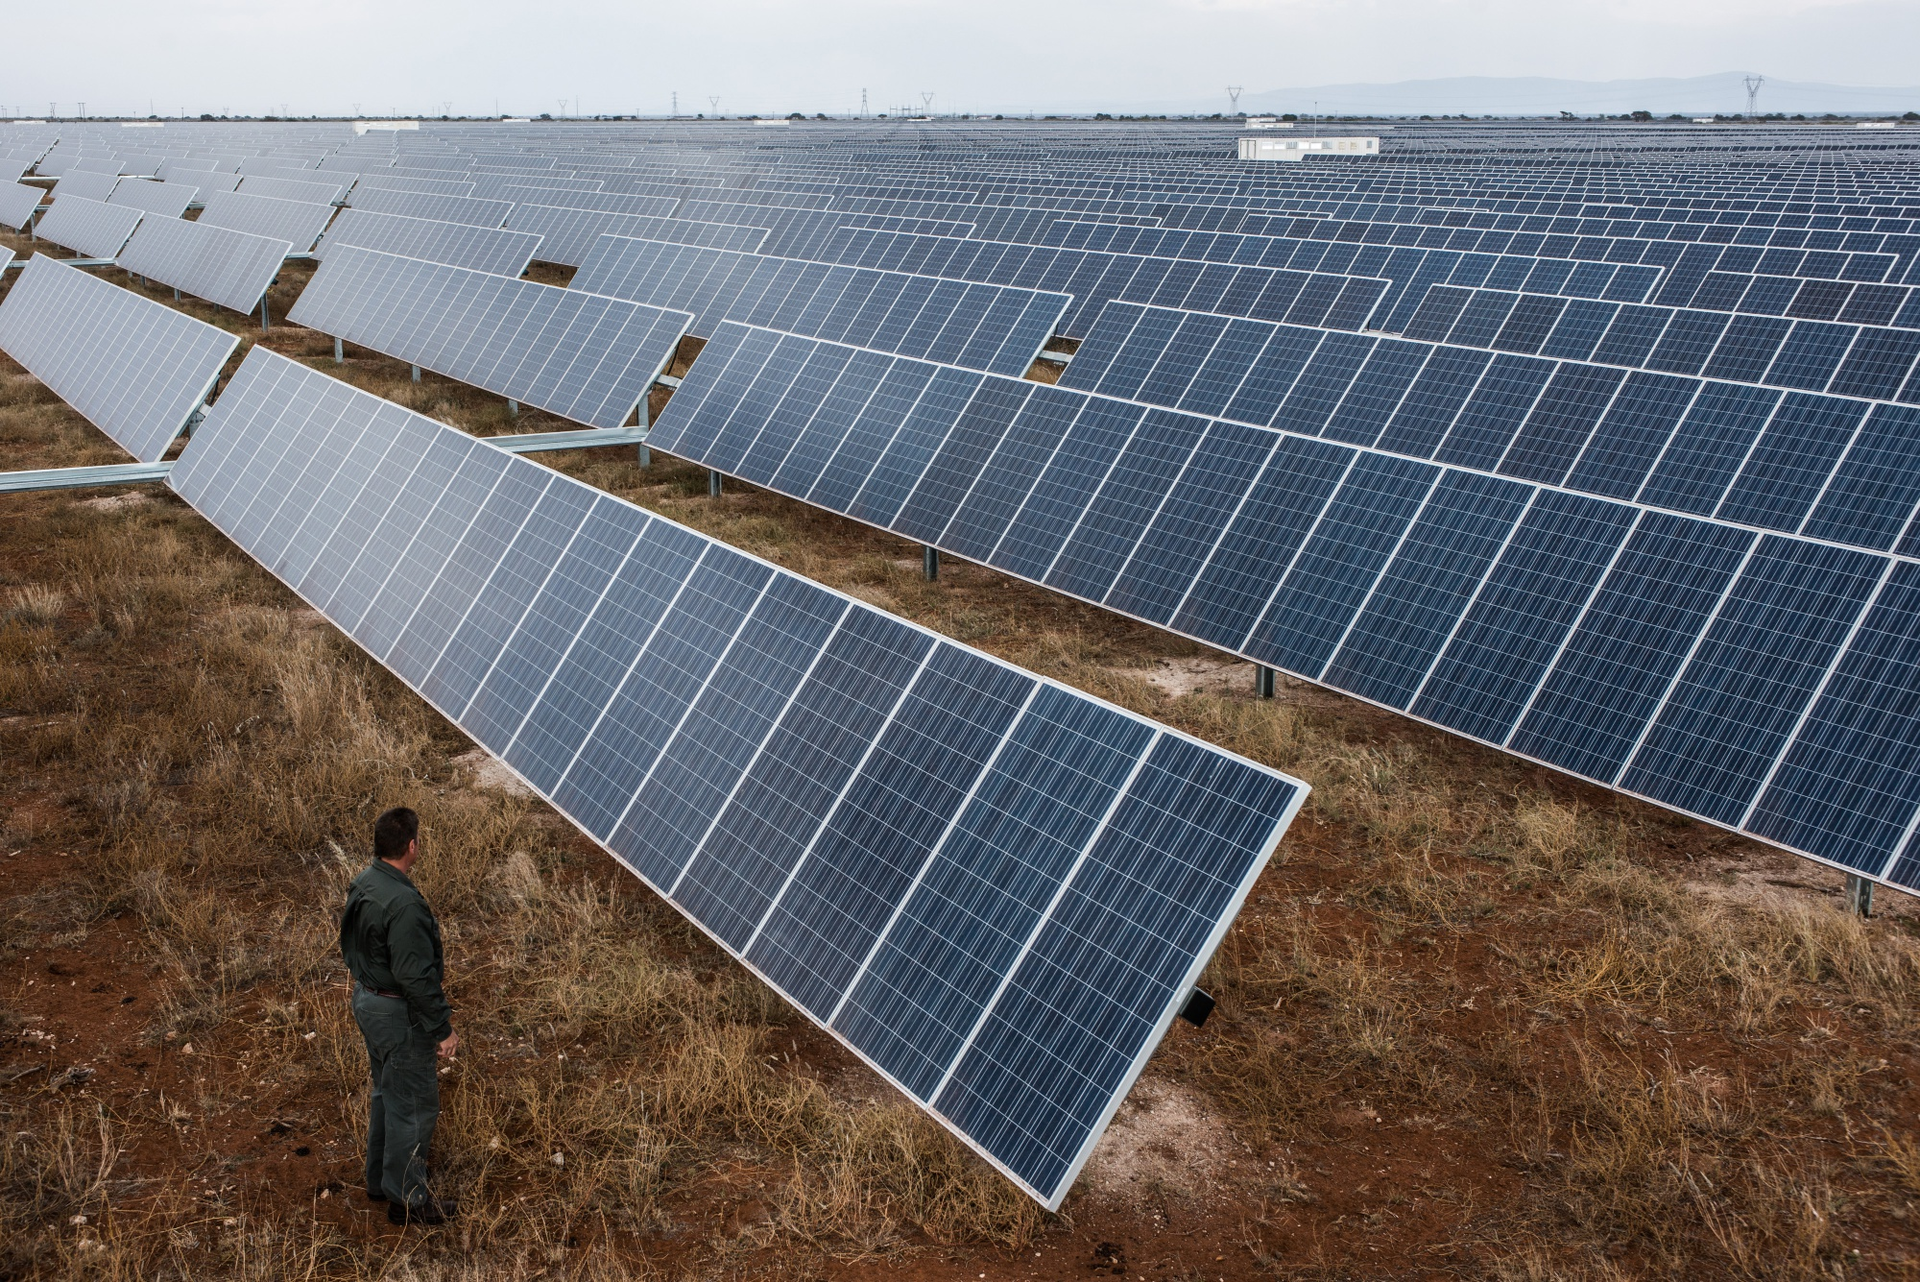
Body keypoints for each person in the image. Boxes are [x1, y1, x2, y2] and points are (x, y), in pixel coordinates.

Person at [338, 806, 459, 1226]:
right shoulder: (404, 903)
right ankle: (407, 1199)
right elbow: (415, 977)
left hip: (367, 999)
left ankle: (381, 1181)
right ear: (412, 846)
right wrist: (441, 1028)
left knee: (387, 1094)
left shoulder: (366, 881)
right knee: (412, 1106)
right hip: (396, 1013)